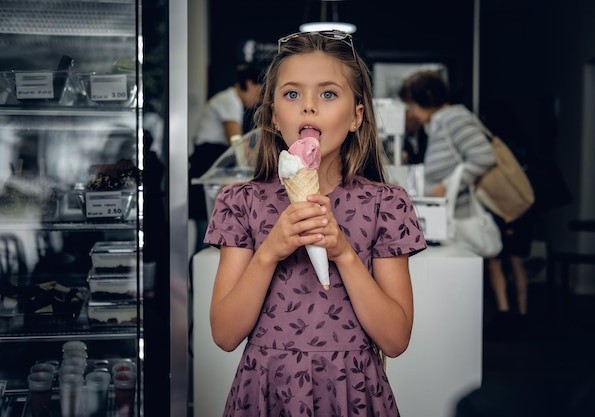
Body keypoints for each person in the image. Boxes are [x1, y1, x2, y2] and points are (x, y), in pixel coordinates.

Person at [204, 30, 427, 416]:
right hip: (267, 389)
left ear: (357, 115)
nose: (309, 107)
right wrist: (269, 252)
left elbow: (394, 340)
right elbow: (224, 334)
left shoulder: (385, 204)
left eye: (328, 94)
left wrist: (343, 252)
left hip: (352, 392)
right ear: (274, 116)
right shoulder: (240, 202)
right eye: (292, 94)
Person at [189, 63, 264, 254]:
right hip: (207, 161)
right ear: (248, 83)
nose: (259, 99)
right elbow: (236, 140)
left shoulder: (232, 101)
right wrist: (254, 166)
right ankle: (197, 278)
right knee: (206, 227)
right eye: (259, 91)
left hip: (211, 159)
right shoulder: (229, 100)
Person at [398, 71, 495, 218]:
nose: (411, 113)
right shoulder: (436, 124)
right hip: (453, 218)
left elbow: (484, 156)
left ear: (427, 98)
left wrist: (447, 186)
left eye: (412, 106)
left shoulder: (453, 118)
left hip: (465, 218)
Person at [479, 100, 536, 339]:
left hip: (500, 209)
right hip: (523, 208)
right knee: (517, 263)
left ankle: (503, 312)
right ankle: (522, 315)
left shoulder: (492, 145)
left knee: (495, 262)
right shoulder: (522, 142)